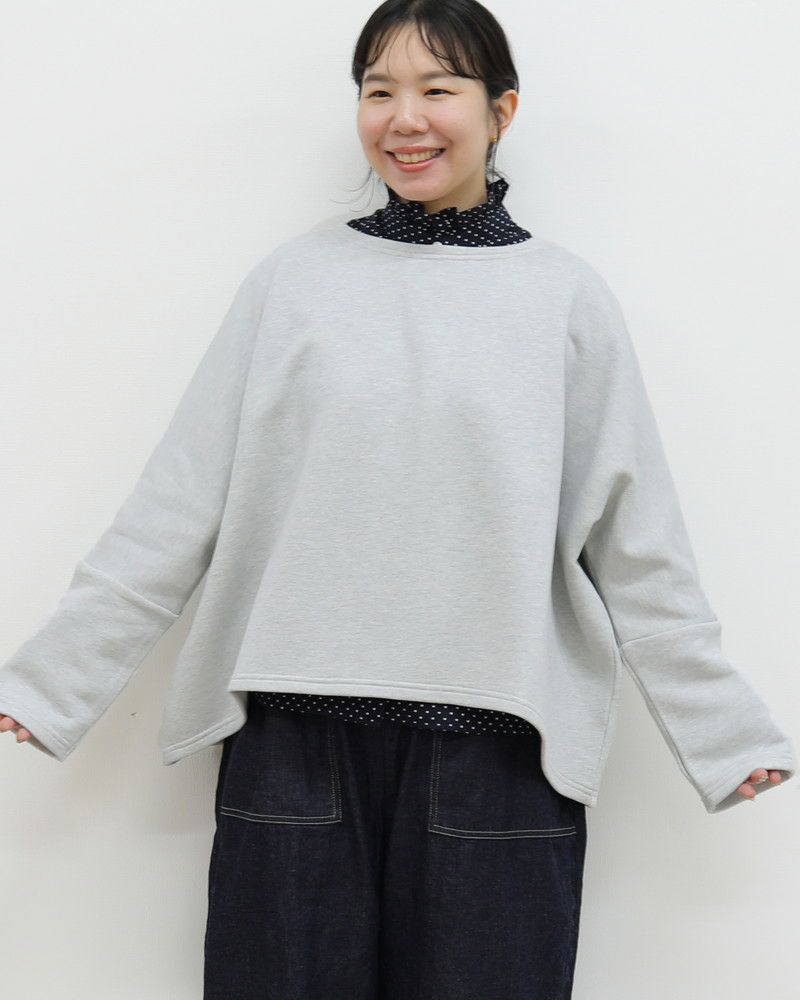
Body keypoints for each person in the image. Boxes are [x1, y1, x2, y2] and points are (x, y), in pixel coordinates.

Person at [1, 2, 795, 997]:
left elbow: (636, 544)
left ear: (500, 110)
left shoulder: (564, 299)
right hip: (294, 742)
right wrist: (51, 682)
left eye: (437, 88)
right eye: (378, 90)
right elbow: (180, 499)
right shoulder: (293, 284)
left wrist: (722, 732)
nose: (404, 117)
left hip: (498, 750)